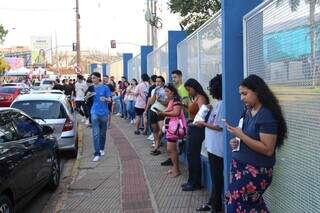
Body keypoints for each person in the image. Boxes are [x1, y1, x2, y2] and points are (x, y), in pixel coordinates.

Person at [225, 74, 287, 212]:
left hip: (255, 171)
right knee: (248, 205)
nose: (242, 98)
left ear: (257, 91)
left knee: (236, 206)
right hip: (240, 168)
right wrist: (236, 141)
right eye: (240, 94)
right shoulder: (248, 112)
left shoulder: (266, 115)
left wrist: (241, 135)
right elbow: (247, 138)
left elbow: (268, 149)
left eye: (245, 94)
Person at [195, 74, 224, 213]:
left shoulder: (224, 104)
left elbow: (219, 126)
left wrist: (203, 123)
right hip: (212, 147)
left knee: (217, 178)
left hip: (218, 149)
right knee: (215, 178)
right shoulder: (218, 103)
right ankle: (212, 202)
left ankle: (216, 207)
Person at [181, 78, 210, 191]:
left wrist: (193, 122)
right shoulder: (196, 98)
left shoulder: (201, 98)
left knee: (193, 156)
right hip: (192, 128)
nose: (188, 92)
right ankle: (191, 180)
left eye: (189, 89)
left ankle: (195, 182)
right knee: (190, 155)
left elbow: (201, 116)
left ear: (194, 87)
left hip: (197, 130)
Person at [161, 70, 189, 167]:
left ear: (180, 77)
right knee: (171, 147)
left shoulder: (182, 89)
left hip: (178, 122)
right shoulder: (175, 91)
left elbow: (185, 104)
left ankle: (175, 166)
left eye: (175, 77)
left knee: (173, 147)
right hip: (173, 123)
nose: (173, 79)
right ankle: (173, 164)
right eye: (172, 77)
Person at [157, 83, 184, 177]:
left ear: (173, 92)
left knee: (171, 149)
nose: (166, 93)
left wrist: (163, 113)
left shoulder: (176, 100)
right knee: (171, 149)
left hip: (174, 127)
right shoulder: (172, 100)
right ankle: (175, 168)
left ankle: (176, 170)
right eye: (165, 91)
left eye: (167, 91)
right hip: (171, 127)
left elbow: (176, 112)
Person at [90, 72, 112, 162]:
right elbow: (86, 98)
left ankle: (102, 148)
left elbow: (110, 100)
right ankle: (97, 153)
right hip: (94, 111)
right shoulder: (91, 88)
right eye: (92, 78)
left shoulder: (105, 87)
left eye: (94, 78)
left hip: (104, 113)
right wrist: (87, 96)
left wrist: (106, 99)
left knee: (103, 133)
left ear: (99, 78)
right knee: (96, 133)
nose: (93, 79)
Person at [149, 76, 167, 155]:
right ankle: (156, 145)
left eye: (159, 81)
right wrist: (155, 93)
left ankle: (157, 143)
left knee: (162, 130)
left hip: (162, 112)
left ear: (163, 82)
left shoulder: (166, 90)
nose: (157, 83)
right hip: (153, 110)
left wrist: (159, 99)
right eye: (156, 81)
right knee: (154, 129)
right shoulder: (154, 90)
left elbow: (167, 103)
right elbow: (152, 103)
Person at [144, 74, 157, 139]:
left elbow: (149, 99)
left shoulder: (151, 87)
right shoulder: (157, 87)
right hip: (157, 106)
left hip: (151, 106)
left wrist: (146, 109)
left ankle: (153, 134)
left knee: (151, 120)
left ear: (151, 80)